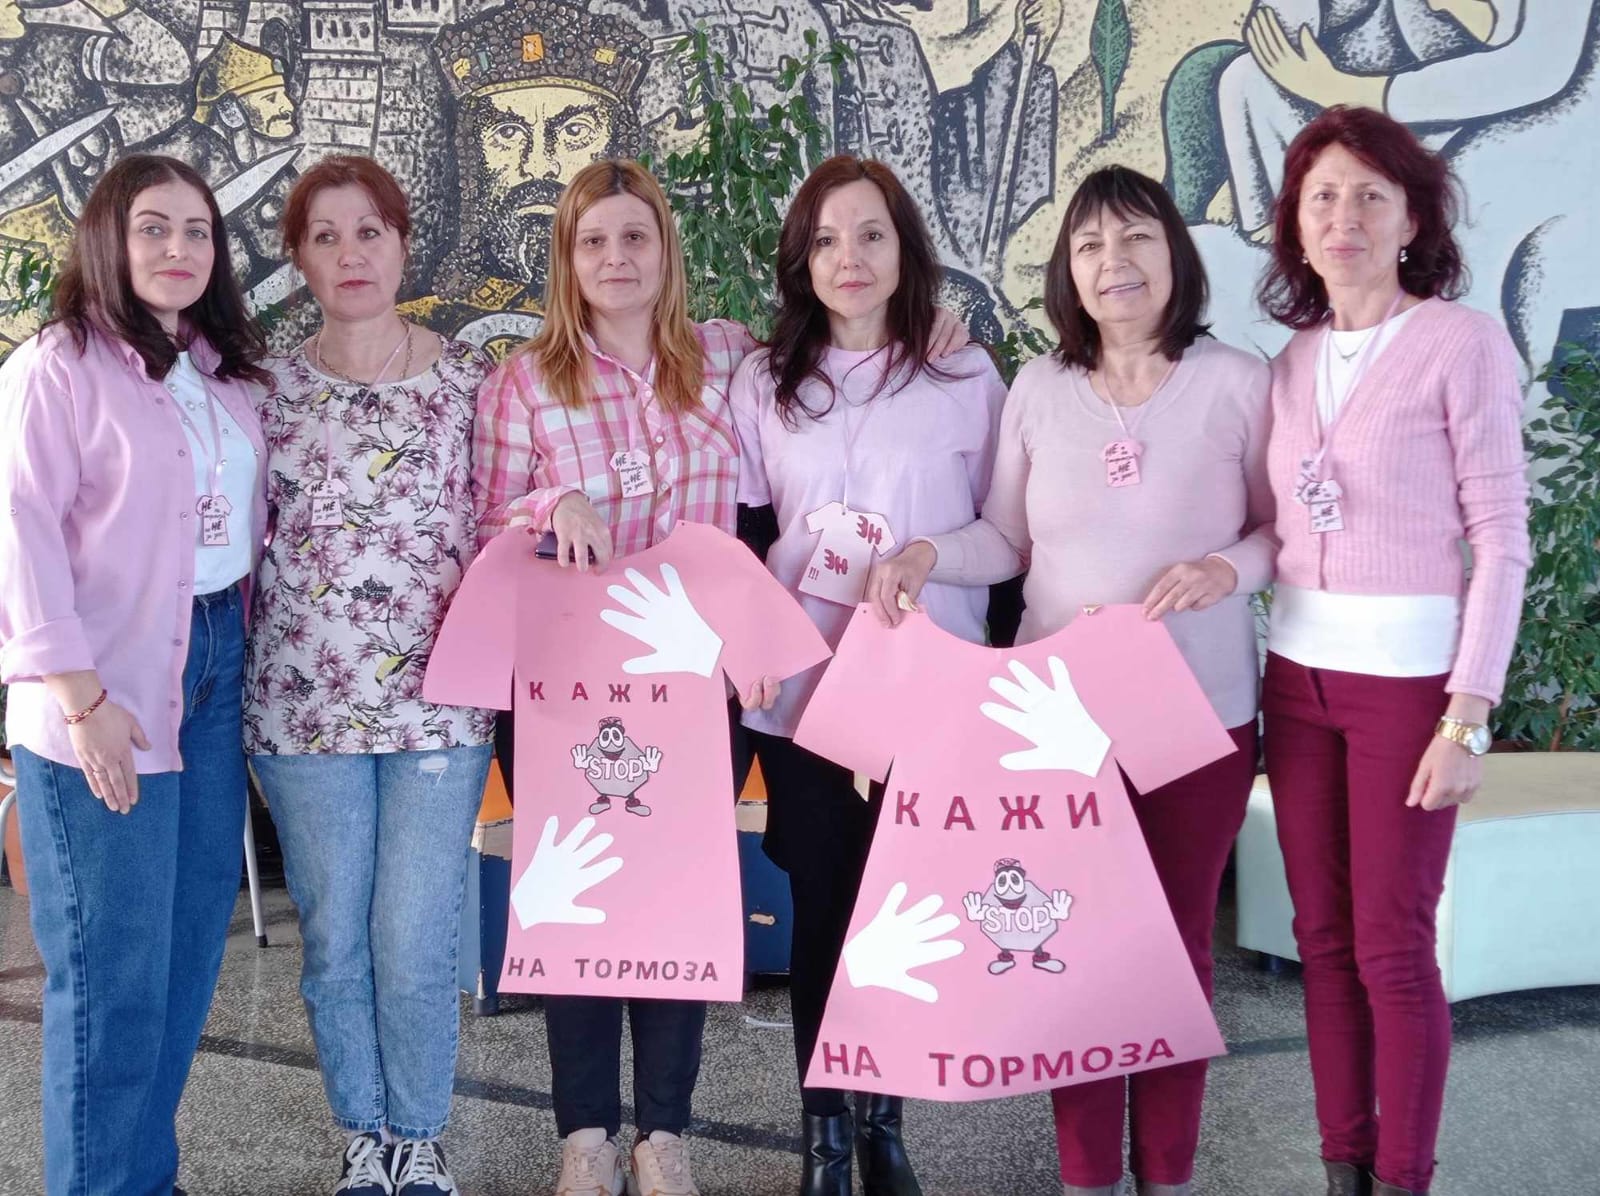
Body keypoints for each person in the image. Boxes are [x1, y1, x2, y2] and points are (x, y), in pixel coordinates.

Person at [873, 165, 1275, 1196]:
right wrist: (927, 553)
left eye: (1135, 237)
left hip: (1198, 716)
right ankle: (1087, 1177)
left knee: (1178, 949)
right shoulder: (1041, 390)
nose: (1114, 262)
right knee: (1075, 944)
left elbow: (1281, 531)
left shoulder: (1238, 383)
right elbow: (1004, 540)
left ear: (1174, 253)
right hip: (1056, 724)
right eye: (1090, 245)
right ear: (1068, 271)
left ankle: (1168, 1174)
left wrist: (1228, 567)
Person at [1255, 106, 1530, 1196]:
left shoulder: (1461, 343)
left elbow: (1501, 538)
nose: (1345, 217)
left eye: (1371, 195)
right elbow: (1269, 523)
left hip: (1410, 692)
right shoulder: (1288, 362)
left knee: (1392, 947)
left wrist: (1469, 715)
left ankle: (1405, 1177)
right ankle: (1344, 1165)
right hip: (1296, 681)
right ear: (1297, 223)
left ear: (1412, 219)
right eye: (1322, 196)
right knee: (1320, 939)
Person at [729, 154, 1006, 1196]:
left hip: (928, 688)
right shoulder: (762, 382)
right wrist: (749, 645)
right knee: (823, 908)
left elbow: (1006, 535)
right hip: (806, 694)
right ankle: (825, 1139)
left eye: (871, 234)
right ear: (802, 259)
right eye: (827, 239)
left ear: (904, 249)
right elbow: (748, 529)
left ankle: (886, 1123)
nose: (850, 257)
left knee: (903, 913)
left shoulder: (964, 377)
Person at [0, 152, 271, 1196]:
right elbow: (19, 536)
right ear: (108, 239)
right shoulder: (56, 365)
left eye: (198, 230)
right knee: (111, 976)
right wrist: (81, 699)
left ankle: (139, 1177)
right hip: (102, 687)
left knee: (185, 958)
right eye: (153, 226)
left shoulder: (220, 367)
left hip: (211, 665)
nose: (177, 248)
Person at [242, 154, 497, 1196]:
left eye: (369, 231)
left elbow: (508, 519)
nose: (350, 254)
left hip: (441, 709)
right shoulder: (263, 390)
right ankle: (364, 1132)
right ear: (299, 259)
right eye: (325, 236)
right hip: (300, 705)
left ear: (401, 243)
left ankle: (420, 1135)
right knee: (336, 938)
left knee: (415, 937)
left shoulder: (473, 381)